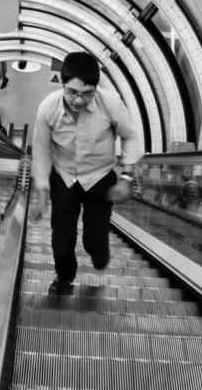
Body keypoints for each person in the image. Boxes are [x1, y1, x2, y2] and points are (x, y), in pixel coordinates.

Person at [29, 51, 143, 296]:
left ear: (96, 87)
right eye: (72, 92)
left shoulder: (111, 102)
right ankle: (65, 277)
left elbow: (130, 136)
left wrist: (126, 176)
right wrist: (41, 190)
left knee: (94, 238)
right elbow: (40, 150)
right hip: (64, 175)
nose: (79, 100)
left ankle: (99, 252)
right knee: (62, 238)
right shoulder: (48, 108)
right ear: (62, 83)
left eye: (86, 94)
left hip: (99, 176)